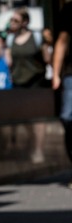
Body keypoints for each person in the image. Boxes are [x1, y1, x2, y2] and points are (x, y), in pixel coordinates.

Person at [5, 7, 52, 164]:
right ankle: (28, 146)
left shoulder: (37, 37)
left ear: (25, 22)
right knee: (23, 118)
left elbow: (47, 59)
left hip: (36, 82)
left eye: (16, 20)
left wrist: (47, 44)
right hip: (18, 83)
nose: (12, 23)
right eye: (11, 20)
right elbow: (8, 62)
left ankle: (38, 150)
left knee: (38, 118)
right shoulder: (10, 40)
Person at [53, 2, 72, 180]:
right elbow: (62, 41)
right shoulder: (69, 9)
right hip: (70, 74)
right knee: (67, 117)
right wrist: (56, 74)